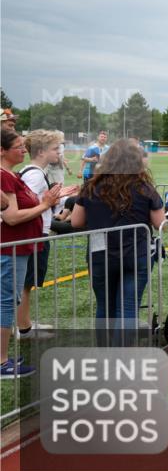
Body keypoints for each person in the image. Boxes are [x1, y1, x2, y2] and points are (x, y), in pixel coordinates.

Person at [71, 140, 165, 331]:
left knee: (104, 308)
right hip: (136, 253)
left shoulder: (91, 186)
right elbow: (160, 223)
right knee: (128, 309)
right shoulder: (145, 188)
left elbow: (76, 222)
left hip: (100, 254)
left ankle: (106, 350)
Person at [1, 130, 61, 377]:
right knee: (6, 302)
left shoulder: (10, 175)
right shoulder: (4, 176)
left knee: (9, 300)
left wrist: (48, 201)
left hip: (17, 248)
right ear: (2, 150)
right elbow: (12, 217)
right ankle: (2, 362)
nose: (23, 150)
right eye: (18, 146)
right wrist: (45, 205)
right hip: (10, 248)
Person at [17, 130, 78, 340]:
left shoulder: (32, 171)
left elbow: (35, 201)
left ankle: (24, 323)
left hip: (35, 233)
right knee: (25, 284)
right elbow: (26, 205)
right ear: (41, 151)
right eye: (55, 149)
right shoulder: (35, 175)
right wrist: (50, 201)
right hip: (34, 234)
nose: (59, 152)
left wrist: (57, 196)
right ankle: (24, 328)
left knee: (26, 283)